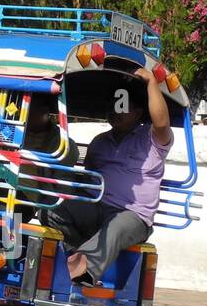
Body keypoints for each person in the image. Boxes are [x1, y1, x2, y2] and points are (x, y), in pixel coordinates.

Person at [44, 68, 172, 287]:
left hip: (132, 216)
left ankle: (79, 274)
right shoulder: (99, 142)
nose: (116, 111)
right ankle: (75, 256)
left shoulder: (152, 138)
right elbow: (87, 178)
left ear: (139, 112)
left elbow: (161, 123)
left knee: (115, 227)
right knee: (53, 210)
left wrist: (152, 82)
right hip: (97, 207)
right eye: (113, 106)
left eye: (122, 106)